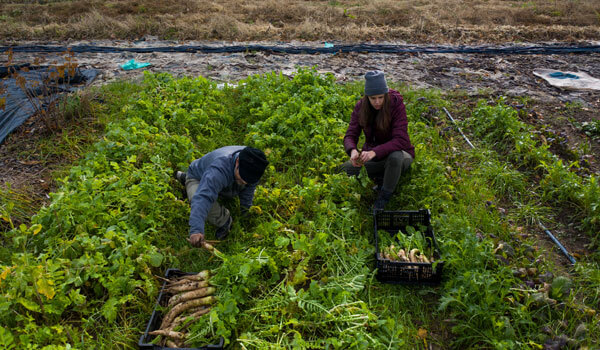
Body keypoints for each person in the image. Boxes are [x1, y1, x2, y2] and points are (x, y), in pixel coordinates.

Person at [341, 71, 415, 210]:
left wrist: (374, 152)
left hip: (400, 155)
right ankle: (383, 176)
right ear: (367, 97)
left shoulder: (396, 104)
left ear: (386, 94)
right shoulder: (360, 107)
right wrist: (352, 150)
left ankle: (384, 197)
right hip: (374, 157)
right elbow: (350, 135)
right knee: (344, 170)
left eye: (381, 97)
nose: (377, 102)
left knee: (395, 157)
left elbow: (401, 140)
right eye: (373, 98)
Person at [175, 146, 269, 248]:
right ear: (237, 162)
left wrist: (245, 212)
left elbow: (248, 189)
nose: (245, 182)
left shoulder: (254, 162)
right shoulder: (219, 169)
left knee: (238, 184)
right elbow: (203, 198)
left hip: (218, 179)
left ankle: (189, 180)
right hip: (198, 177)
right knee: (197, 198)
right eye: (243, 177)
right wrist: (196, 230)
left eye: (248, 179)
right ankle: (225, 220)